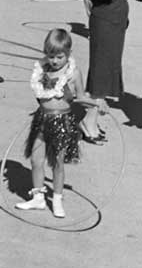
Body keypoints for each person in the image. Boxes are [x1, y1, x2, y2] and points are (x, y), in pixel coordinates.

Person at [13, 30, 102, 219]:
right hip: (42, 119)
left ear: (68, 53)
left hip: (62, 121)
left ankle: (57, 199)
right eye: (51, 56)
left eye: (59, 57)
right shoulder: (41, 69)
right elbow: (40, 96)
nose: (54, 61)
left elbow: (80, 97)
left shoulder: (73, 73)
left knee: (57, 163)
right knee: (36, 160)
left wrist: (96, 104)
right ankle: (38, 197)